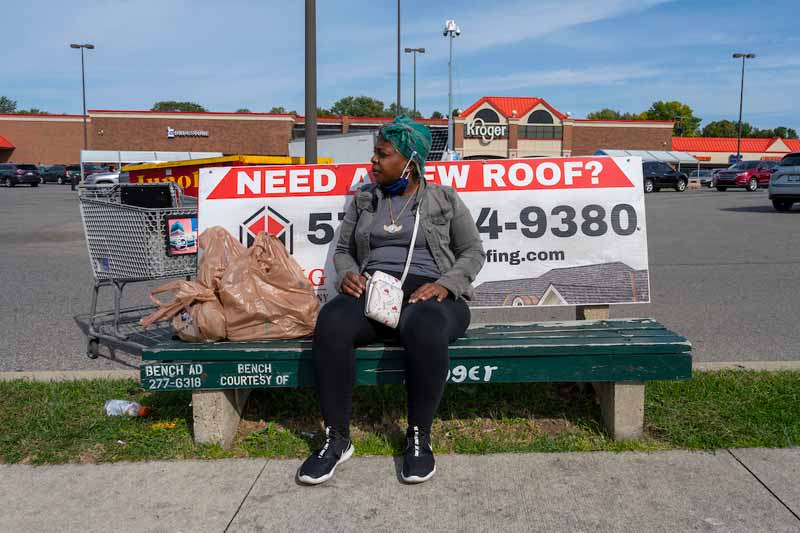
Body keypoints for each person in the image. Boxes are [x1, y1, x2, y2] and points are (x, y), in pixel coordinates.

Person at [298, 116, 485, 485]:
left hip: (430, 294)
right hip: (376, 291)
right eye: (374, 155)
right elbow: (343, 249)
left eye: (382, 155)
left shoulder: (443, 198)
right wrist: (350, 272)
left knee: (426, 326)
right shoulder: (366, 199)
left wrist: (445, 285)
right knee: (332, 322)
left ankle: (418, 438)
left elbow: (472, 251)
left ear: (410, 160)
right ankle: (336, 438)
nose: (373, 162)